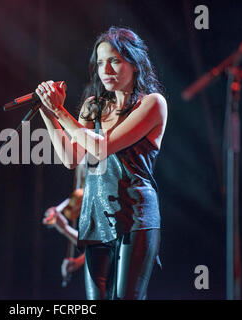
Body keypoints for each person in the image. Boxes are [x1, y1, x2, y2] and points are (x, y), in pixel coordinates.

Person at [36, 26, 167, 300]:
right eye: (99, 62)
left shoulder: (153, 104)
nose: (105, 69)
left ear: (135, 63)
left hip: (135, 216)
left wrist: (60, 111)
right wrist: (48, 114)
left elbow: (102, 145)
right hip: (95, 217)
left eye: (115, 60)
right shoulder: (92, 106)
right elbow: (72, 158)